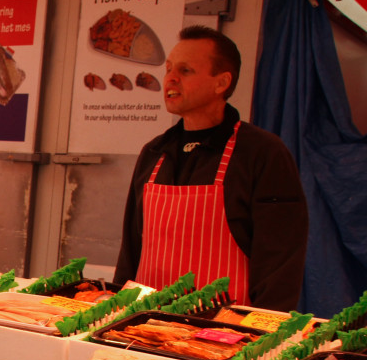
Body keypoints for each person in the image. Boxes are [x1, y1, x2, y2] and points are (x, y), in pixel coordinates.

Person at [113, 25, 308, 311]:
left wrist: (260, 335)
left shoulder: (262, 153)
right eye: (169, 69)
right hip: (143, 327)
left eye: (185, 70)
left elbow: (280, 263)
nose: (171, 79)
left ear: (222, 83)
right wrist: (117, 313)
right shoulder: (154, 153)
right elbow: (130, 251)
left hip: (221, 335)